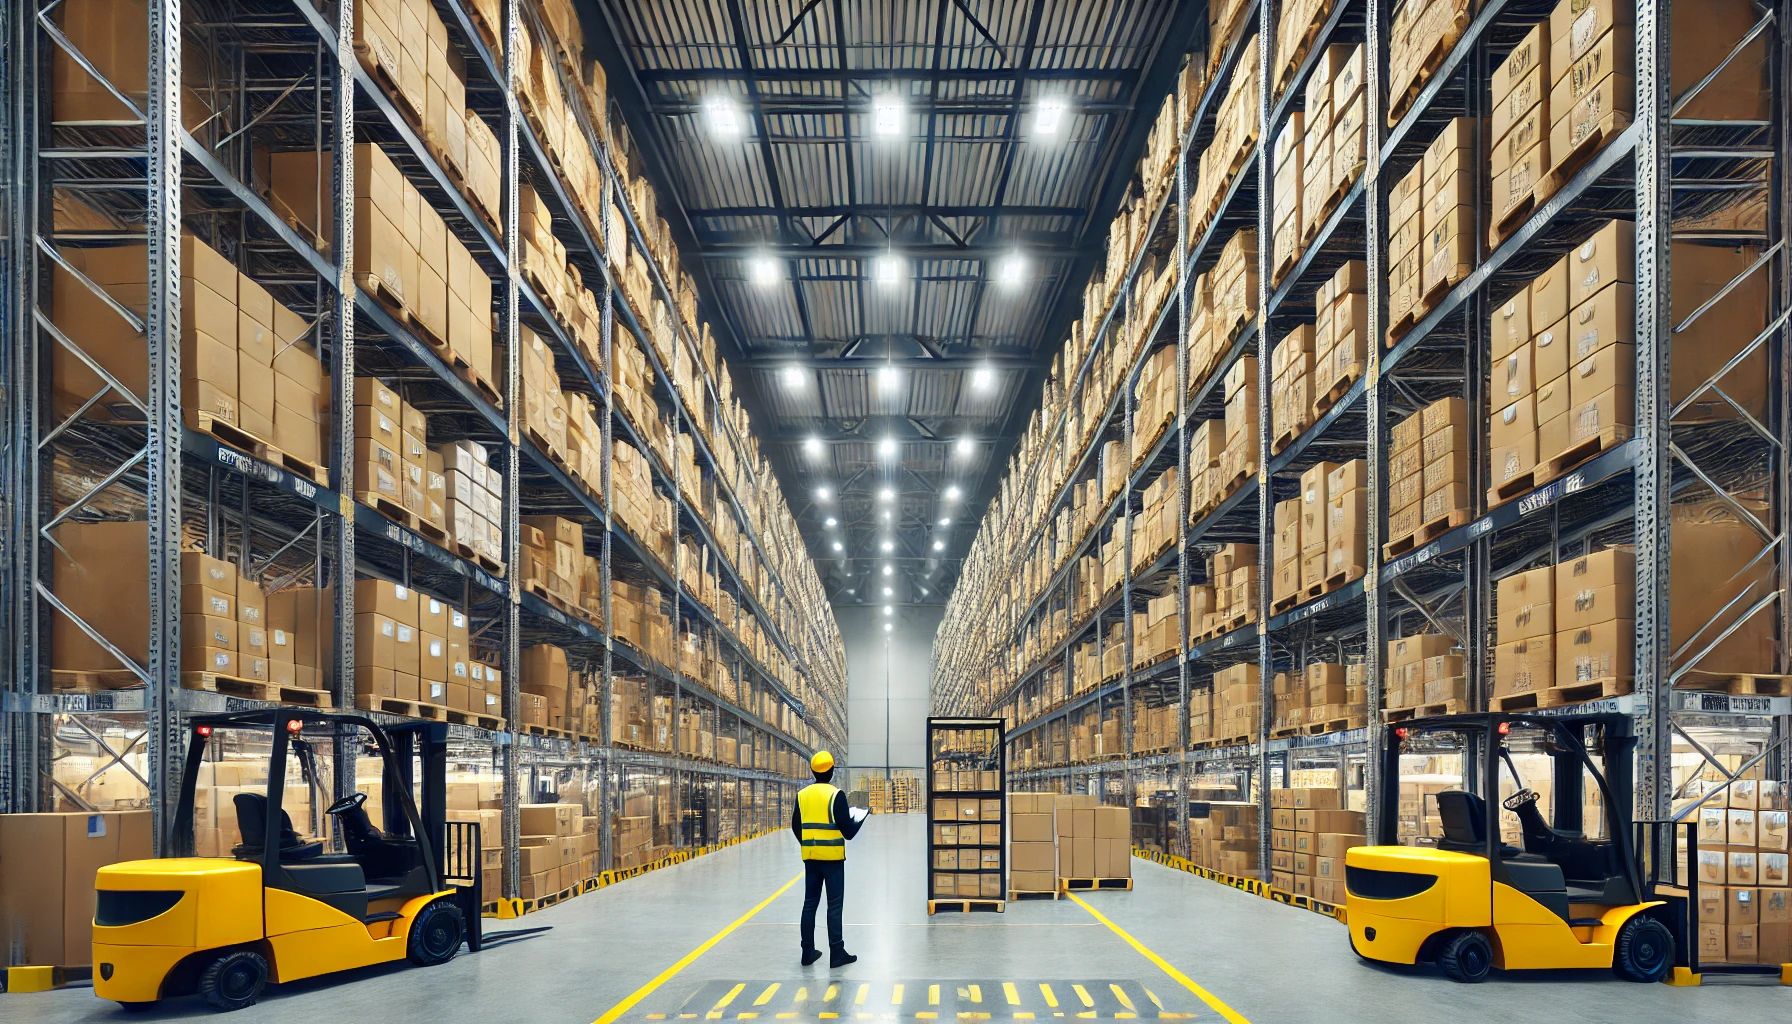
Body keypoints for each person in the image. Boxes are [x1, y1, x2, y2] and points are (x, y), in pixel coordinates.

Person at [791, 750, 864, 967]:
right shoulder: (836, 795)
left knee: (809, 904)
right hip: (832, 860)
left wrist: (808, 844)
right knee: (834, 906)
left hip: (811, 858)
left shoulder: (802, 795)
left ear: (813, 771)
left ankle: (807, 952)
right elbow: (848, 832)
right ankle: (837, 952)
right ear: (831, 771)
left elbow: (796, 826)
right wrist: (860, 818)